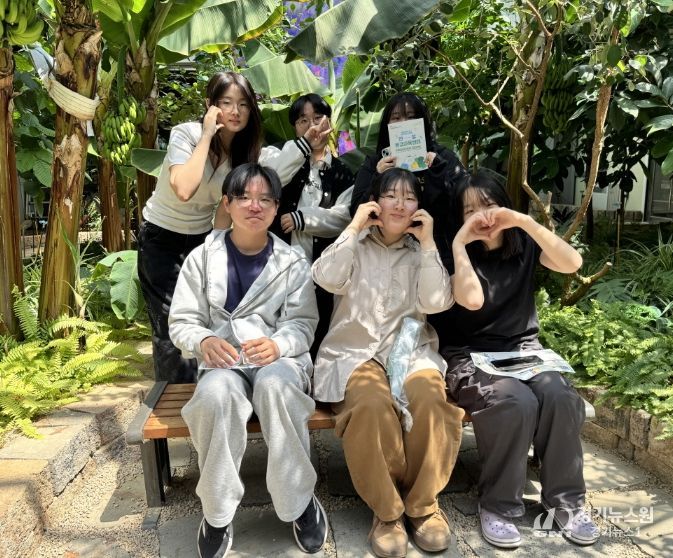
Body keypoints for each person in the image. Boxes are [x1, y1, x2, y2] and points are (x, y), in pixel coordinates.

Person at [430, 171, 600, 549]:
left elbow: (572, 263)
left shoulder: (522, 242)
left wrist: (523, 221)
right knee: (514, 400)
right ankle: (498, 505)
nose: (482, 216)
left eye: (489, 205)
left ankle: (566, 502)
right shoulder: (450, 251)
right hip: (468, 355)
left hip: (523, 350)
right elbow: (472, 300)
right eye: (470, 210)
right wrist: (459, 243)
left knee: (560, 396)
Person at [168, 163, 327, 558]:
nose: (255, 206)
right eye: (244, 197)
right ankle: (217, 512)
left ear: (276, 208)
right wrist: (204, 339)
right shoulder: (202, 258)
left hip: (278, 361)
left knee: (276, 387)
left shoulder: (292, 262)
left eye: (265, 199)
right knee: (214, 397)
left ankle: (299, 501)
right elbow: (182, 322)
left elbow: (303, 323)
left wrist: (278, 345)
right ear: (228, 203)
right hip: (225, 364)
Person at [139, 71, 330, 384]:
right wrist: (206, 135)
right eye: (226, 103)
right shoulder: (186, 134)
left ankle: (210, 393)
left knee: (207, 325)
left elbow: (236, 199)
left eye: (243, 104)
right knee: (170, 328)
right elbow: (184, 188)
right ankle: (175, 401)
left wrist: (215, 246)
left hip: (200, 238)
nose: (235, 111)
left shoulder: (245, 151)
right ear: (210, 105)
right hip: (162, 238)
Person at [312, 168, 463, 558]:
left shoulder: (420, 252)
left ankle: (423, 506)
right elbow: (325, 277)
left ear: (418, 207)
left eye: (409, 197)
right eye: (391, 195)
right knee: (371, 404)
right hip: (355, 353)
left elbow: (435, 302)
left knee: (431, 401)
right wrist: (353, 227)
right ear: (374, 202)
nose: (399, 204)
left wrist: (428, 244)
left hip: (409, 353)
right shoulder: (355, 244)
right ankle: (388, 512)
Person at [270, 93, 355, 355]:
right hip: (278, 267)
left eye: (318, 118)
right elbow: (270, 180)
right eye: (303, 121)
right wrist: (303, 145)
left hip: (322, 272)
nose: (312, 126)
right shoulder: (280, 155)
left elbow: (344, 217)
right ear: (294, 127)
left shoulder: (343, 173)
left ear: (329, 121)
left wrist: (302, 218)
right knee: (278, 330)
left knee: (319, 331)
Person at [349, 92, 467, 258]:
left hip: (436, 252)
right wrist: (378, 176)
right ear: (387, 124)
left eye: (411, 117)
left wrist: (438, 173)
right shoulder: (375, 162)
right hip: (384, 253)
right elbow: (356, 212)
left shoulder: (442, 158)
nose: (404, 123)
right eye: (396, 118)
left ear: (423, 122)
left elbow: (462, 206)